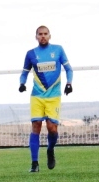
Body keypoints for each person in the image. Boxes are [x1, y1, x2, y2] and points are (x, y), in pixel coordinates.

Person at [18, 26, 73, 172]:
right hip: (37, 96)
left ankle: (50, 149)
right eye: (40, 34)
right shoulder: (31, 54)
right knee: (36, 125)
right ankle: (34, 163)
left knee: (51, 128)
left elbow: (69, 69)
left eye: (45, 34)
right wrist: (22, 83)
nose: (43, 36)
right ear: (36, 36)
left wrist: (69, 83)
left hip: (53, 96)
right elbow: (24, 72)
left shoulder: (58, 50)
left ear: (50, 35)